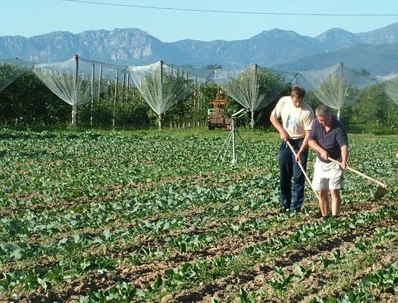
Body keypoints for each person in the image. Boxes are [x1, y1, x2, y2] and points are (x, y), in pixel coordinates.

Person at [270, 86, 314, 213]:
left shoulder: (307, 111)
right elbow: (273, 118)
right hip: (286, 140)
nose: (298, 103)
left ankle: (296, 207)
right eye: (296, 101)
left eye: (300, 101)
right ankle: (285, 204)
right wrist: (281, 130)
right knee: (284, 174)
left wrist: (300, 152)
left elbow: (308, 134)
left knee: (298, 176)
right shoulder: (284, 102)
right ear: (292, 97)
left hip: (301, 142)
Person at [308, 105, 349, 220]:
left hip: (335, 162)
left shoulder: (338, 127)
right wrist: (321, 151)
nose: (322, 122)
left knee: (334, 191)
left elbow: (344, 146)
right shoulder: (316, 123)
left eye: (324, 120)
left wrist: (344, 160)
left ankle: (335, 217)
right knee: (322, 192)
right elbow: (310, 141)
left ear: (330, 116)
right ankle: (325, 217)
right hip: (321, 163)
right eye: (320, 119)